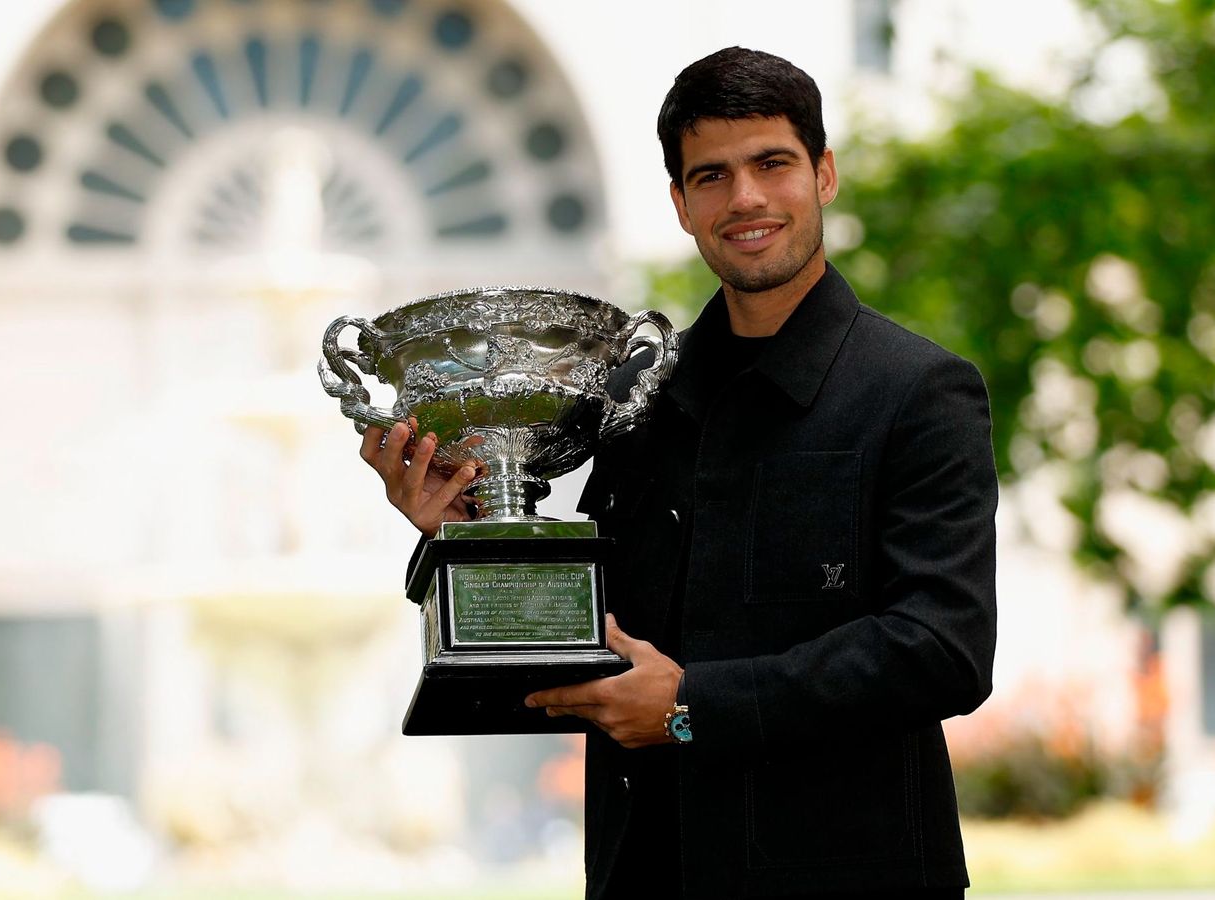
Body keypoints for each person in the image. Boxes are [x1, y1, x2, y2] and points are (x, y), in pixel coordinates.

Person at [361, 47, 998, 899]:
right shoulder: (638, 396)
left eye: (772, 164)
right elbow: (596, 621)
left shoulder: (919, 390)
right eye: (712, 176)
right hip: (646, 872)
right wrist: (468, 532)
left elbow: (943, 650)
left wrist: (695, 704)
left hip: (849, 875)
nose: (746, 199)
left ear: (824, 174)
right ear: (681, 204)